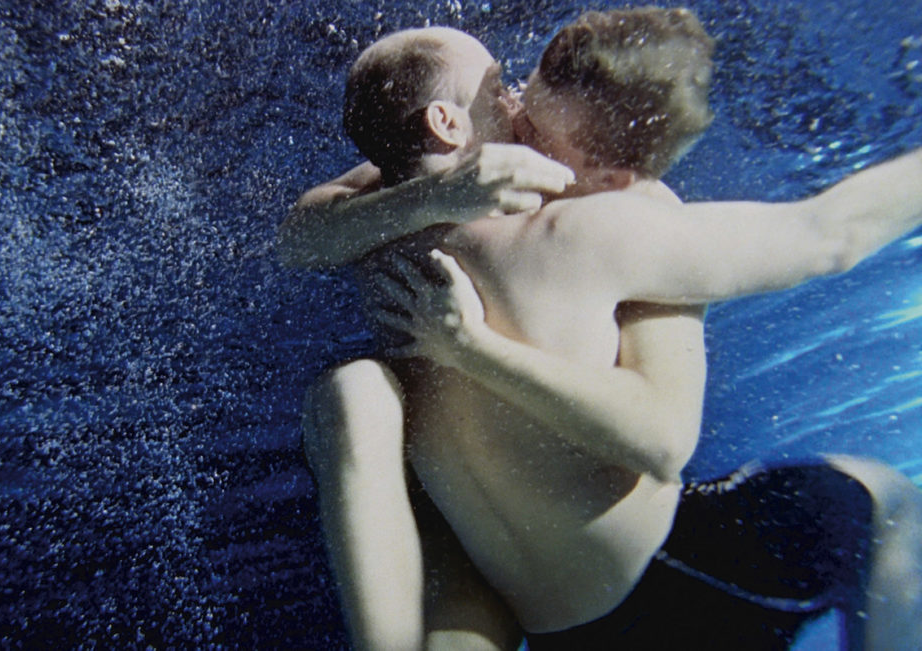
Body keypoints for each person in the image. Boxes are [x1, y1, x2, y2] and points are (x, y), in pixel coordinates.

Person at [281, 9, 922, 649]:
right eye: (500, 85)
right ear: (446, 123)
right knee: (892, 501)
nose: (514, 98)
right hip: (671, 580)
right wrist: (471, 345)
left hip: (545, 619)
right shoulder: (589, 230)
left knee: (353, 387)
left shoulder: (375, 230)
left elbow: (304, 234)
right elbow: (827, 236)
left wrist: (438, 209)